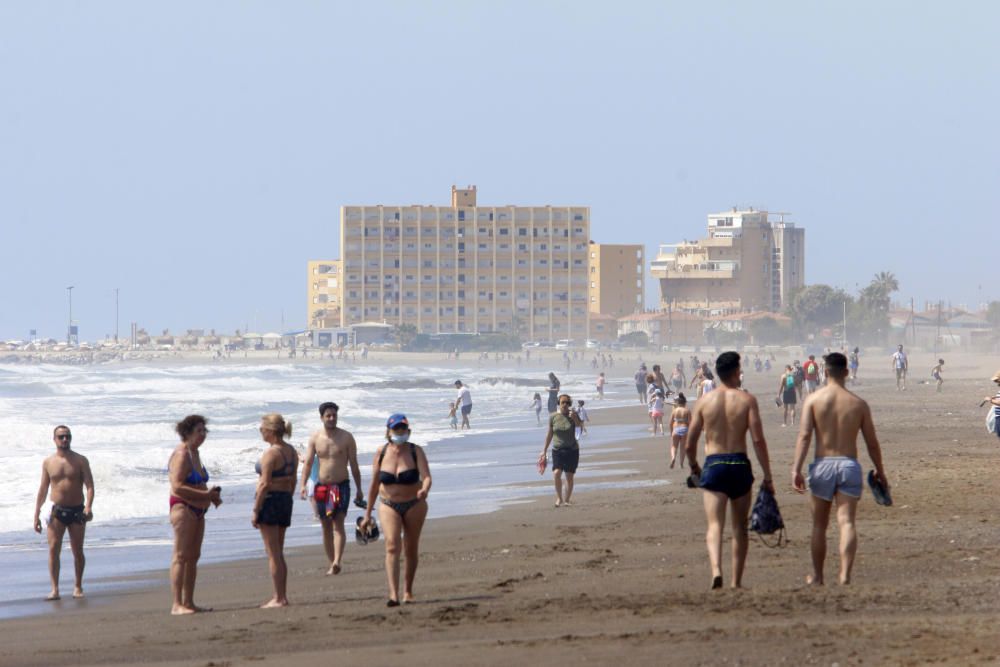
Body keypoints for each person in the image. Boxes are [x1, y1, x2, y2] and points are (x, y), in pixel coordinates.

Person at [791, 353, 890, 586]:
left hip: (822, 464)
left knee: (819, 525)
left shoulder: (813, 400)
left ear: (825, 372)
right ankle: (845, 575)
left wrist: (795, 468)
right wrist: (880, 470)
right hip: (848, 464)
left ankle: (817, 576)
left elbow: (804, 436)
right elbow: (872, 442)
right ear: (846, 372)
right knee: (846, 522)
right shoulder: (858, 404)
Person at [686, 352, 774, 590]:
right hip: (738, 463)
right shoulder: (747, 400)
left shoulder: (704, 402)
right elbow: (758, 440)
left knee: (715, 525)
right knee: (739, 527)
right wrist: (767, 475)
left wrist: (695, 467)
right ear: (736, 372)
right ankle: (736, 581)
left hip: (713, 464)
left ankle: (716, 570)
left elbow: (689, 442)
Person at [360, 414, 432, 607]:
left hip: (414, 503)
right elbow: (374, 484)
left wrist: (425, 490)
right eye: (396, 429)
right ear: (388, 431)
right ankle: (393, 594)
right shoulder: (381, 452)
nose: (399, 432)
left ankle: (408, 590)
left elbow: (426, 476)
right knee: (392, 545)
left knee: (411, 547)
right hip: (388, 504)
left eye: (403, 429)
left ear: (408, 431)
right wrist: (367, 514)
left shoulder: (416, 451)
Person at [300, 403, 363, 576]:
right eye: (328, 415)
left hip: (341, 485)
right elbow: (308, 464)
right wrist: (303, 485)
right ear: (321, 417)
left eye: (334, 415)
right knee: (325, 525)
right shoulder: (315, 438)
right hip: (322, 487)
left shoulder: (346, 437)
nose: (332, 418)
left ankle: (337, 561)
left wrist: (359, 489)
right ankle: (332, 563)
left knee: (338, 522)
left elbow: (355, 465)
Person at [33, 425, 95, 601]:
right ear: (54, 440)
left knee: (78, 550)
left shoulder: (80, 460)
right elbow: (43, 489)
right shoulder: (48, 462)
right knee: (53, 549)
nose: (65, 439)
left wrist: (88, 506)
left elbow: (89, 485)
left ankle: (78, 586)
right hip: (56, 511)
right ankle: (55, 589)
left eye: (67, 436)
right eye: (61, 437)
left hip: (77, 510)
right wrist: (36, 515)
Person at [168, 415, 222, 615]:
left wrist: (211, 497)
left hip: (200, 509)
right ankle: (176, 604)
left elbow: (198, 482)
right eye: (198, 431)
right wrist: (205, 494)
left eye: (204, 431)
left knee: (194, 557)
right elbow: (178, 486)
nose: (202, 435)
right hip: (183, 508)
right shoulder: (181, 454)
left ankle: (189, 602)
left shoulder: (195, 453)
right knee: (180, 556)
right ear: (187, 432)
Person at [252, 413, 298, 608]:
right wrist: (288, 496)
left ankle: (279, 597)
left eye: (262, 428)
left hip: (270, 501)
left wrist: (256, 509)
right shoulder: (291, 451)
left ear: (270, 431)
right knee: (279, 551)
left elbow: (264, 484)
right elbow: (293, 479)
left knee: (273, 553)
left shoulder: (271, 453)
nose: (260, 432)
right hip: (285, 500)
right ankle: (282, 595)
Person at [539, 394, 583, 507]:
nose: (565, 405)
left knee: (569, 476)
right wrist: (544, 450)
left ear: (570, 404)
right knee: (557, 473)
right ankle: (559, 498)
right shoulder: (553, 416)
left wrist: (576, 420)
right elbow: (549, 434)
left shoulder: (573, 415)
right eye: (563, 402)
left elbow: (579, 432)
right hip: (557, 450)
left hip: (572, 449)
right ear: (558, 403)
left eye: (567, 403)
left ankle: (567, 500)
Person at [669, 393, 690, 468]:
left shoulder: (674, 411)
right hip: (684, 429)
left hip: (676, 429)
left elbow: (670, 423)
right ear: (684, 403)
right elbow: (690, 422)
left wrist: (671, 432)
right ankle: (681, 463)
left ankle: (673, 458)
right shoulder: (687, 410)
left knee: (674, 446)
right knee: (682, 447)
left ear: (678, 403)